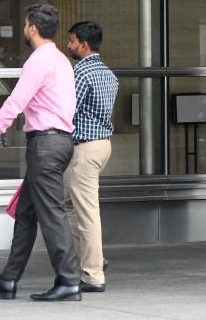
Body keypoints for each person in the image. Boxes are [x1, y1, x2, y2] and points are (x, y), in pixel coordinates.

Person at [0, 3, 82, 302]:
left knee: (51, 215)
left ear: (32, 27)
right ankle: (8, 280)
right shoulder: (61, 60)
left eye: (24, 25)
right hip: (56, 142)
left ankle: (69, 281)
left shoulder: (39, 61)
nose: (23, 29)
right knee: (26, 213)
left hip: (46, 145)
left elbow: (15, 102)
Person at [63, 21, 118, 293]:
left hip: (84, 148)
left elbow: (67, 111)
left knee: (85, 212)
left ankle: (93, 274)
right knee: (70, 204)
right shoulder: (108, 73)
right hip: (102, 145)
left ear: (84, 45)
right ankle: (90, 257)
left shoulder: (80, 73)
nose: (69, 46)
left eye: (72, 41)